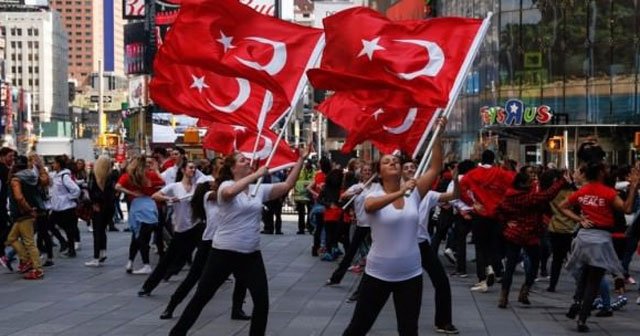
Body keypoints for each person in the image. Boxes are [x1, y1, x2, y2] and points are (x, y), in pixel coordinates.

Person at [169, 145, 312, 336]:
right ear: (233, 169)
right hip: (223, 252)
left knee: (262, 302)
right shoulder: (225, 187)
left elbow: (286, 186)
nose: (248, 162)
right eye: (242, 160)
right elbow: (230, 193)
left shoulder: (257, 189)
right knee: (201, 297)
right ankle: (177, 333)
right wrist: (256, 175)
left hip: (251, 254)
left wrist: (301, 159)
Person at [342, 118, 445, 336]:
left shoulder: (415, 192)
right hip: (378, 273)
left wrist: (438, 134)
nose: (393, 163)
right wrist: (400, 192)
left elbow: (436, 167)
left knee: (408, 330)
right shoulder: (374, 193)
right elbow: (370, 207)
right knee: (358, 328)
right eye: (387, 162)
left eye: (396, 161)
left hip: (411, 274)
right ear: (380, 171)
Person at [561, 163, 638, 332]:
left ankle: (576, 301)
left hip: (582, 239)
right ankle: (582, 319)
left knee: (584, 273)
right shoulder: (608, 192)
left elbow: (563, 207)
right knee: (593, 281)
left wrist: (579, 220)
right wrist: (633, 188)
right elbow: (627, 208)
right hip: (601, 240)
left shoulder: (583, 191)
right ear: (601, 173)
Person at [159, 176, 249, 321]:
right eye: (213, 184)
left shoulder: (230, 200)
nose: (216, 185)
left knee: (242, 277)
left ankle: (237, 310)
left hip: (230, 242)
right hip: (209, 244)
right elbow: (224, 193)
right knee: (193, 277)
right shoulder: (209, 197)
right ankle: (171, 306)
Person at [494, 168, 567, 309]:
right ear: (524, 184)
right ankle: (525, 290)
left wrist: (506, 223)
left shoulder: (509, 196)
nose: (533, 181)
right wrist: (562, 181)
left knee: (510, 266)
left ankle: (504, 296)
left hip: (513, 233)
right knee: (535, 263)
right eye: (530, 180)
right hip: (530, 234)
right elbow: (548, 195)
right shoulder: (529, 197)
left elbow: (499, 211)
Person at [138, 160, 203, 295]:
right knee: (168, 259)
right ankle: (148, 287)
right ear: (183, 170)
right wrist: (169, 199)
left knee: (205, 255)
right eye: (190, 167)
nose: (193, 170)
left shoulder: (198, 187)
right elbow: (155, 195)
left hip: (196, 226)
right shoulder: (175, 186)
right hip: (181, 228)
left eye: (195, 168)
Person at [460, 150, 515, 292]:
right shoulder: (501, 173)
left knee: (480, 246)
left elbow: (460, 189)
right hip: (497, 214)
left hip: (480, 213)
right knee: (493, 244)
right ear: (493, 160)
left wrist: (472, 203)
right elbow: (514, 185)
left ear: (481, 159)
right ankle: (493, 268)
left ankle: (482, 279)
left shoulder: (472, 174)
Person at [326, 162, 377, 285]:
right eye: (365, 170)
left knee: (376, 252)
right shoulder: (356, 187)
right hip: (361, 224)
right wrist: (353, 193)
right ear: (361, 174)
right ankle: (335, 278)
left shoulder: (377, 187)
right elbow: (342, 197)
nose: (367, 172)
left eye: (369, 170)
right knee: (350, 253)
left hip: (375, 225)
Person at [116, 156, 165, 274]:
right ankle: (145, 263)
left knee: (137, 236)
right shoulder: (150, 175)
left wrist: (132, 193)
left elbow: (117, 187)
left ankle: (132, 261)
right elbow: (163, 183)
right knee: (146, 237)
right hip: (150, 207)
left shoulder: (128, 176)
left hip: (136, 207)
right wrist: (156, 171)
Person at [5, 155, 48, 279]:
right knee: (11, 238)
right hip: (27, 213)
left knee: (29, 242)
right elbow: (45, 181)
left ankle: (37, 269)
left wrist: (29, 209)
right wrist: (40, 167)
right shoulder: (32, 176)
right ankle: (26, 259)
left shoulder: (16, 179)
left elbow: (18, 197)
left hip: (24, 214)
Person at [85, 155, 117, 267]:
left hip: (98, 206)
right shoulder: (111, 175)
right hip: (109, 207)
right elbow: (112, 193)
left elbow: (91, 191)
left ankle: (95, 258)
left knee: (97, 231)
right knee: (103, 230)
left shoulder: (94, 175)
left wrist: (94, 203)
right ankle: (103, 252)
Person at [49, 155, 81, 258]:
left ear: (58, 164)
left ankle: (71, 250)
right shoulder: (55, 175)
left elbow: (76, 190)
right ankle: (63, 242)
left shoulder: (65, 176)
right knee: (49, 224)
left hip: (66, 208)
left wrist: (68, 198)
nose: (52, 164)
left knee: (69, 229)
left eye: (54, 162)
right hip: (57, 208)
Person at [0, 147, 16, 270]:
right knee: (8, 228)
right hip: (2, 205)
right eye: (10, 156)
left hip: (4, 205)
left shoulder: (6, 169)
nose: (12, 159)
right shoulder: (3, 170)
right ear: (3, 156)